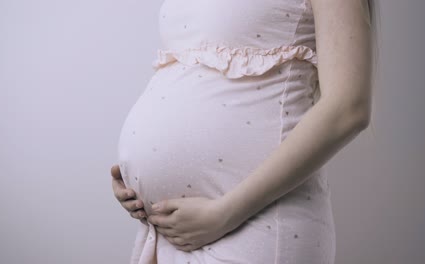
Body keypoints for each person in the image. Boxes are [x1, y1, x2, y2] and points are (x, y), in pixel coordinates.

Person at [112, 0, 378, 263]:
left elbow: (348, 107)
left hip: (254, 223)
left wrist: (223, 215)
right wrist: (137, 175)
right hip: (170, 233)